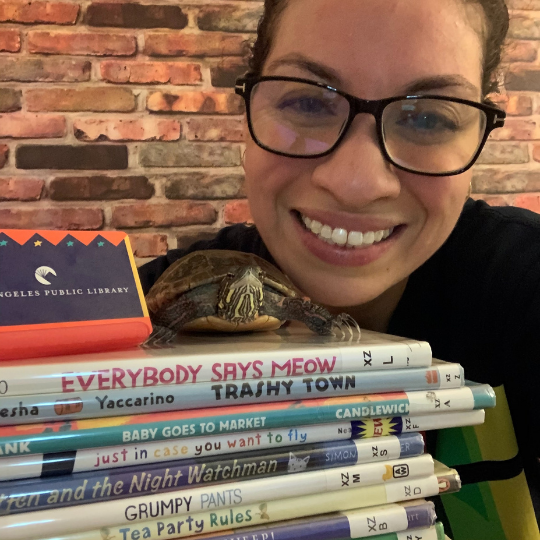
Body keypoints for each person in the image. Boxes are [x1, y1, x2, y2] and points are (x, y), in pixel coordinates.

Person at [138, 0, 539, 537]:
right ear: (247, 108)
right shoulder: (140, 300)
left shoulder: (523, 284)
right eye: (307, 102)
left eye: (428, 117)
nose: (357, 182)